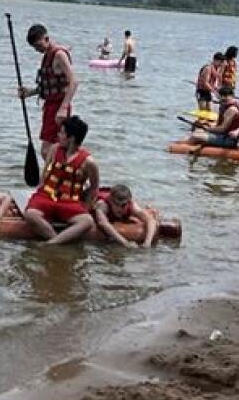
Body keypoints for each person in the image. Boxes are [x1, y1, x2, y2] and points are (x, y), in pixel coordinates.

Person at [20, 116, 98, 245]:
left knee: (87, 221)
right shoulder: (55, 149)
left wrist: (86, 207)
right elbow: (45, 174)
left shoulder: (89, 162)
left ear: (71, 138)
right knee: (30, 215)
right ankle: (57, 240)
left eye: (62, 133)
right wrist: (37, 193)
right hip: (46, 196)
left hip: (70, 202)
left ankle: (51, 244)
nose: (58, 135)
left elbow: (94, 188)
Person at [17, 25, 77, 160]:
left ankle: (58, 176)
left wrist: (63, 108)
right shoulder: (47, 56)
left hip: (59, 107)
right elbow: (49, 85)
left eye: (38, 45)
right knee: (50, 150)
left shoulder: (59, 55)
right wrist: (29, 92)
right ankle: (55, 176)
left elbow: (74, 81)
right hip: (50, 107)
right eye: (34, 47)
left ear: (47, 38)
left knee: (49, 150)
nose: (37, 50)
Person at [92, 184, 158, 249]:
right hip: (97, 201)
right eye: (116, 204)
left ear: (128, 202)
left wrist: (147, 242)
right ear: (110, 201)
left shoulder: (131, 204)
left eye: (123, 205)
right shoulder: (102, 205)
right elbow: (103, 223)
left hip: (119, 212)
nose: (120, 208)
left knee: (152, 213)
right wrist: (125, 243)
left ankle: (149, 208)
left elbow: (150, 220)